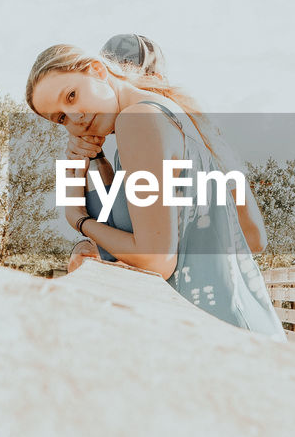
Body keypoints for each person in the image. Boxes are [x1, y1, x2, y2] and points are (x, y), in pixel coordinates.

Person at [25, 43, 286, 338]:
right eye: (61, 119)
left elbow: (156, 260)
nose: (76, 119)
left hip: (218, 337)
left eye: (71, 96)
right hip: (236, 328)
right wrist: (86, 161)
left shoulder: (136, 121)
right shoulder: (177, 119)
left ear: (97, 70)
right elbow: (253, 238)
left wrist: (78, 220)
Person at [66, 34, 268, 271]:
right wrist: (84, 157)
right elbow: (119, 229)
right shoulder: (136, 146)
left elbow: (253, 239)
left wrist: (80, 221)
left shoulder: (191, 139)